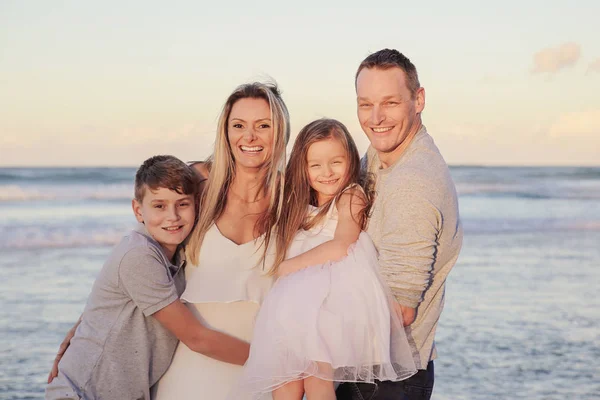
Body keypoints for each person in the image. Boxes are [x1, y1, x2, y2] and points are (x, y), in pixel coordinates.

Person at [232, 119, 417, 400]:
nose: (327, 173)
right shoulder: (300, 203)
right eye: (315, 165)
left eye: (336, 162)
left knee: (317, 374)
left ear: (350, 161)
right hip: (297, 305)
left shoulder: (350, 195)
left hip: (332, 302)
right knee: (285, 376)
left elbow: (341, 245)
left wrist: (288, 267)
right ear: (302, 168)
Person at [45, 155, 252, 400]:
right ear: (137, 210)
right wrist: (270, 361)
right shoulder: (139, 255)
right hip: (83, 394)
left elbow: (205, 171)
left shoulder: (179, 251)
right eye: (159, 206)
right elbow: (196, 338)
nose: (172, 216)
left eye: (183, 204)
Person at [336, 49, 463, 400]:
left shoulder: (413, 182)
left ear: (418, 100)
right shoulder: (381, 155)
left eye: (390, 103)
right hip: (374, 369)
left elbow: (398, 311)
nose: (376, 118)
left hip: (390, 381)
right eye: (365, 104)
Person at [152, 82, 290, 399]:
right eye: (238, 125)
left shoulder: (292, 197)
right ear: (225, 131)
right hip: (190, 376)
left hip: (262, 380)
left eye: (263, 126)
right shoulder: (197, 182)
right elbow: (139, 260)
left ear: (279, 132)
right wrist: (86, 328)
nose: (249, 137)